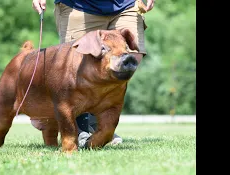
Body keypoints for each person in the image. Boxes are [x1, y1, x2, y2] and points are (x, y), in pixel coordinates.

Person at [31, 0, 155, 146]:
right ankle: (79, 127)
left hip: (126, 4)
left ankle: (100, 124)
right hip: (78, 6)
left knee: (128, 60)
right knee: (75, 64)